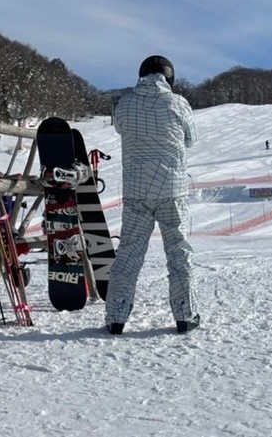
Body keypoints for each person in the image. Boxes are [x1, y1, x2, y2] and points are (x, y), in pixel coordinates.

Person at [106, 55, 200, 335]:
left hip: (136, 191)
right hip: (172, 190)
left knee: (129, 255)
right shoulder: (178, 103)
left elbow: (120, 128)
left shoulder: (124, 103)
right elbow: (190, 139)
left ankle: (116, 317)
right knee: (179, 253)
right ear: (169, 77)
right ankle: (185, 315)